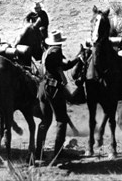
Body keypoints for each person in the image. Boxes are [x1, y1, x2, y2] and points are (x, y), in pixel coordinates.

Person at [35, 30, 80, 161]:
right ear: (60, 43)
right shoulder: (56, 52)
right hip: (54, 90)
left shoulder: (46, 53)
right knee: (61, 121)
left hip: (43, 88)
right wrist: (79, 58)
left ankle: (39, 152)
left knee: (45, 120)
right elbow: (65, 66)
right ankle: (58, 153)